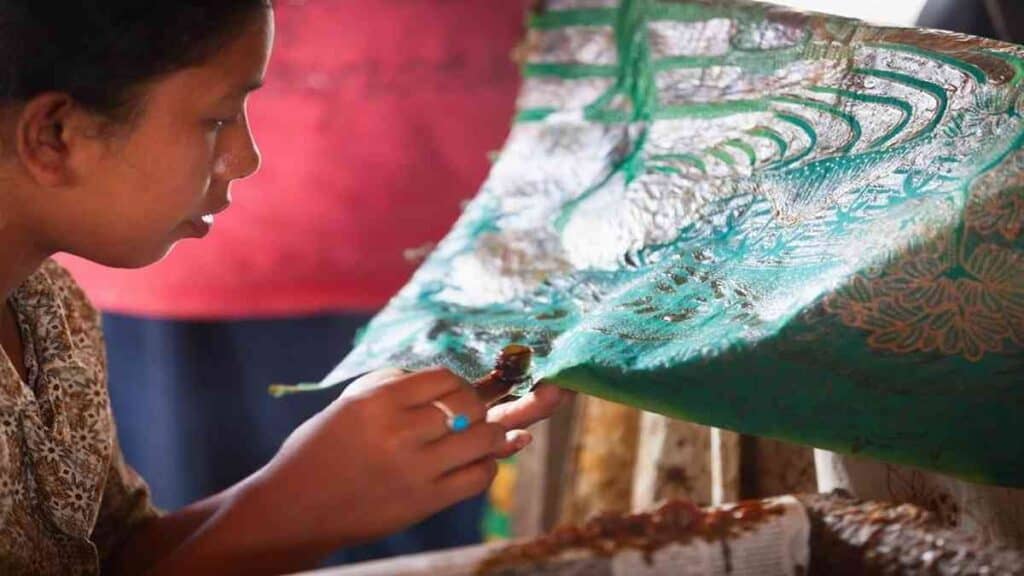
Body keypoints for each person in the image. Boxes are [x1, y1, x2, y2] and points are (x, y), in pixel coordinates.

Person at [0, 2, 567, 575]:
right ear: (54, 137)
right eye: (217, 119)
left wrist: (329, 481)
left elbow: (114, 559)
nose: (246, 159)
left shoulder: (49, 309)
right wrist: (305, 504)